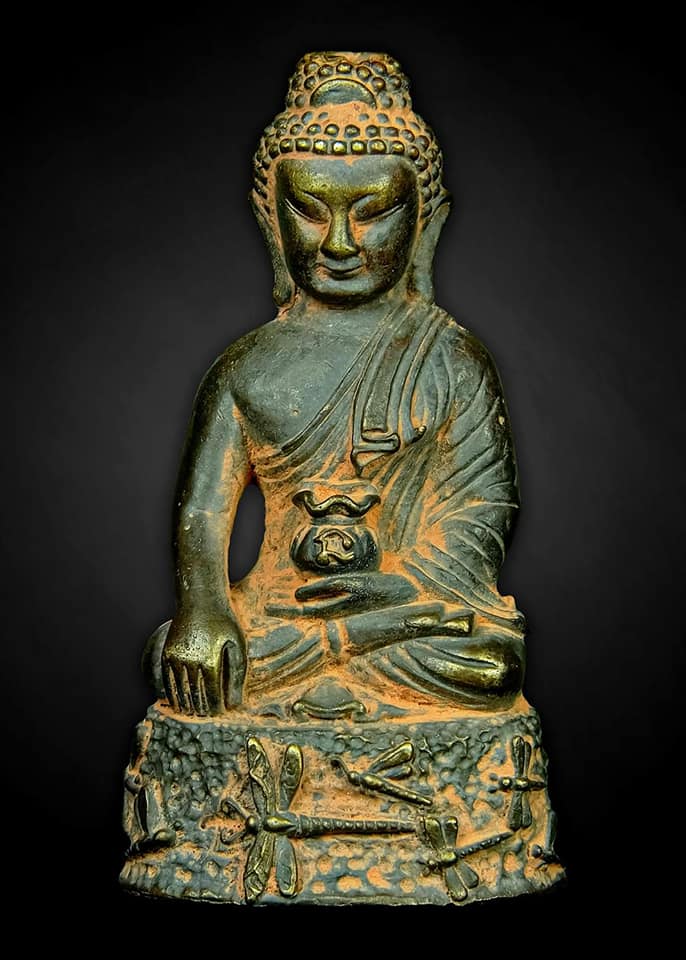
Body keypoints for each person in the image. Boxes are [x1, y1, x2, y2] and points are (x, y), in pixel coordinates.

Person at [154, 52, 525, 717]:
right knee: (179, 655)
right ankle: (323, 653)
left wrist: (397, 589)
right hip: (277, 608)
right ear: (271, 220)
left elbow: (483, 507)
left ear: (425, 222)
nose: (341, 242)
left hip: (404, 612)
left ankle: (336, 653)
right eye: (309, 210)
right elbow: (203, 512)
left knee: (492, 668)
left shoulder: (452, 358)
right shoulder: (244, 366)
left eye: (374, 212)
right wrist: (204, 610)